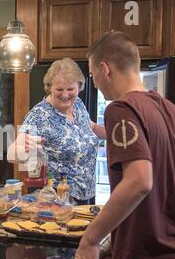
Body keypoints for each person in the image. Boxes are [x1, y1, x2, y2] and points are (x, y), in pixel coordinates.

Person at [65, 30, 175, 259]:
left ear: (105, 69)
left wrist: (90, 239)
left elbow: (139, 181)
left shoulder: (121, 109)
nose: (96, 83)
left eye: (92, 75)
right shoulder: (171, 110)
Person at [7, 58, 106, 205]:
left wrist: (118, 131)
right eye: (59, 89)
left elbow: (90, 127)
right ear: (49, 88)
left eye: (70, 89)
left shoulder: (78, 105)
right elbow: (11, 154)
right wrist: (23, 149)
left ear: (79, 86)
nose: (65, 95)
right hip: (56, 198)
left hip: (86, 194)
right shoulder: (39, 115)